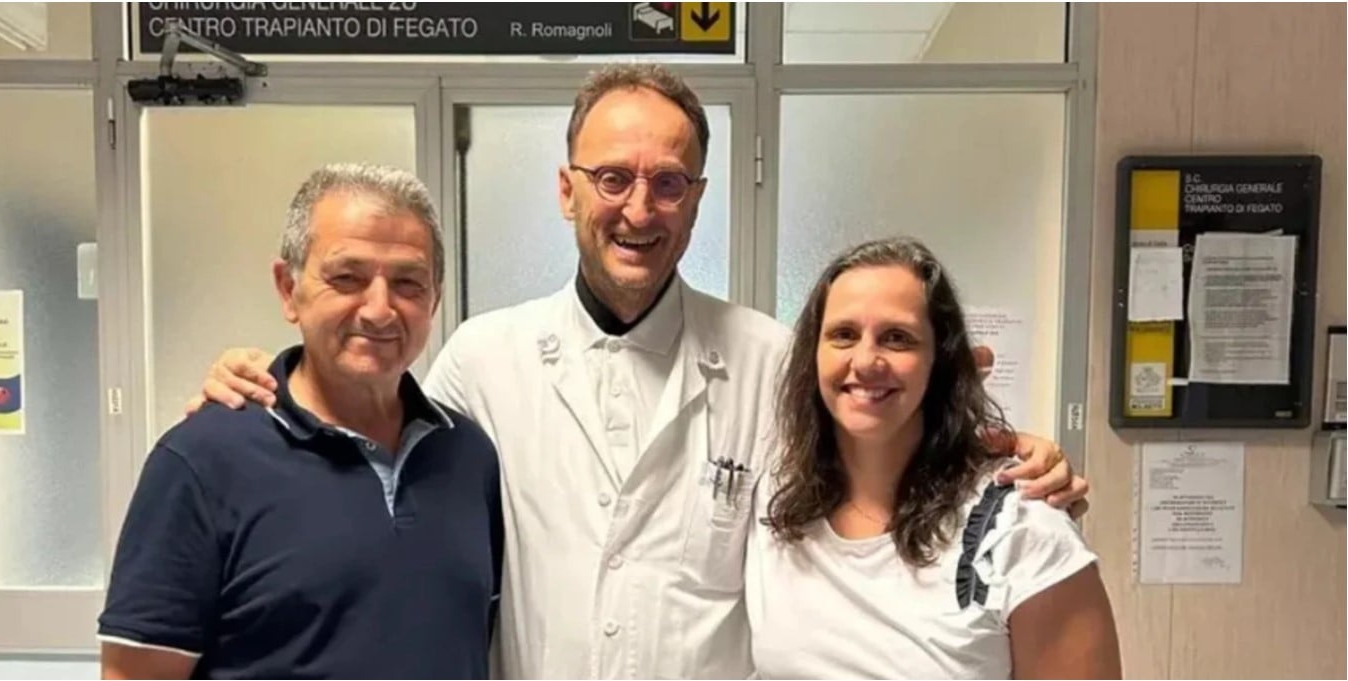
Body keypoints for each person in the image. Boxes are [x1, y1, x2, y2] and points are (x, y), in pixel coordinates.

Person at [186, 64, 1089, 679]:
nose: (639, 208)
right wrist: (266, 383)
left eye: (668, 182)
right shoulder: (481, 361)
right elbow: (361, 438)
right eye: (612, 178)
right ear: (567, 189)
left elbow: (875, 452)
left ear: (697, 199)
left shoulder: (771, 360)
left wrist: (1007, 459)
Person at [97, 164, 503, 679]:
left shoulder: (467, 458)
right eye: (347, 278)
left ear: (435, 299)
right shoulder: (201, 462)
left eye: (408, 283)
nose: (379, 310)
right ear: (289, 289)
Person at [746, 237, 1121, 679]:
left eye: (897, 338)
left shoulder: (1020, 531)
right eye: (844, 335)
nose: (865, 361)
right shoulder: (777, 505)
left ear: (939, 361)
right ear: (813, 355)